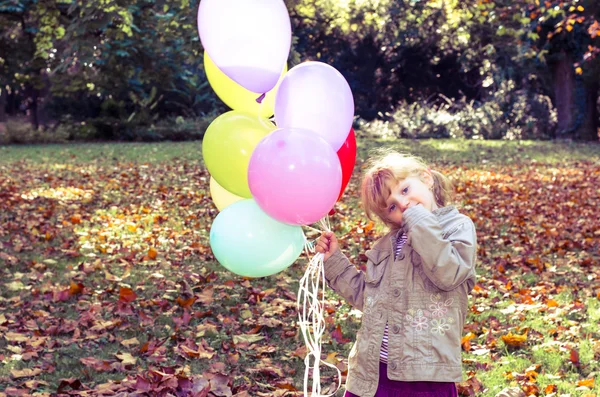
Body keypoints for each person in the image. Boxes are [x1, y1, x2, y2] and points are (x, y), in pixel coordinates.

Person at [315, 151, 477, 397]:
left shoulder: (457, 227)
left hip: (425, 376)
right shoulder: (386, 245)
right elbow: (368, 298)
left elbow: (448, 273)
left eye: (404, 190)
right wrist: (335, 262)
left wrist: (419, 221)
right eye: (392, 207)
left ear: (426, 178)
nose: (403, 204)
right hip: (371, 375)